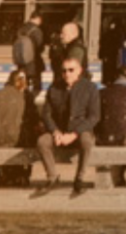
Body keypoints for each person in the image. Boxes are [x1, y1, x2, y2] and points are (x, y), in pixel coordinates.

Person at [34, 55, 101, 196]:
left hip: (80, 131)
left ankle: (79, 178)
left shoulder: (90, 88)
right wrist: (55, 131)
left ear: (79, 70)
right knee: (42, 142)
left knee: (87, 141)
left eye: (71, 70)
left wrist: (74, 134)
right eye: (64, 71)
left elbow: (94, 116)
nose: (67, 74)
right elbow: (46, 114)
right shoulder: (54, 88)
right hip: (59, 132)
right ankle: (53, 177)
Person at [10, 11, 47, 94]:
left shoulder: (20, 29)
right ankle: (29, 103)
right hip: (33, 62)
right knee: (35, 86)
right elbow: (40, 47)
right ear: (38, 19)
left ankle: (20, 100)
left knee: (20, 85)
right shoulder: (37, 31)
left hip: (20, 61)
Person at [52, 20, 89, 90]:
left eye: (63, 33)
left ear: (73, 34)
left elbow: (72, 69)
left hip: (75, 86)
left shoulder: (76, 49)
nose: (61, 36)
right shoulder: (68, 47)